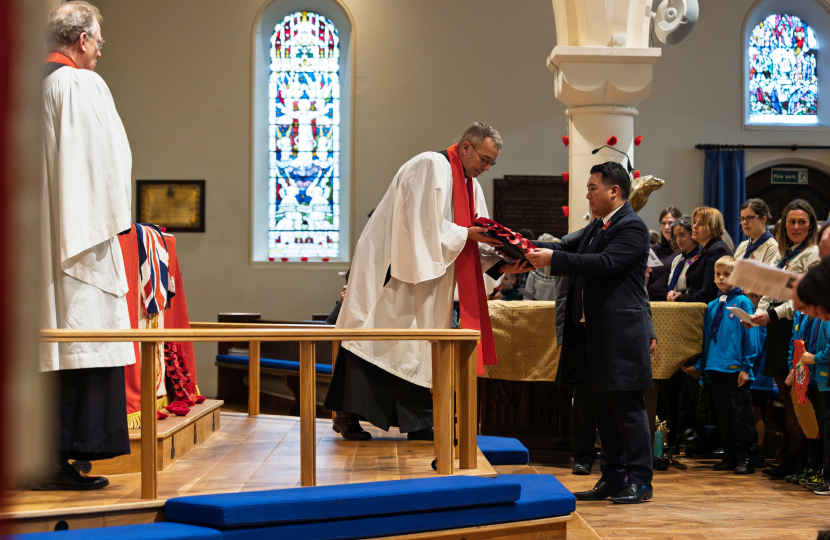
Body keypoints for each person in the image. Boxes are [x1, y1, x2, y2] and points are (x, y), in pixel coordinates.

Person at [324, 123, 527, 441]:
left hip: (435, 278)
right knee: (375, 339)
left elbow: (476, 235)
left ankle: (418, 421)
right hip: (400, 275)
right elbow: (419, 224)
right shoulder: (429, 165)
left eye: (492, 163)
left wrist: (503, 261)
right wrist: (465, 235)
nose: (486, 168)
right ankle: (348, 415)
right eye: (484, 159)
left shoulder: (470, 185)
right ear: (465, 147)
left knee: (420, 350)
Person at [36, 1, 133, 491]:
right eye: (98, 42)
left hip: (36, 242)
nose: (99, 53)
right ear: (81, 41)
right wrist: (117, 224)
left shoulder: (32, 85)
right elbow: (102, 164)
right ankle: (57, 459)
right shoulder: (78, 84)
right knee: (77, 338)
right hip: (75, 243)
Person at [526, 161, 654, 504]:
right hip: (595, 336)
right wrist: (518, 246)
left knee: (627, 410)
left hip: (621, 335)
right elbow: (565, 247)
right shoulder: (598, 226)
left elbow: (605, 263)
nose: (587, 194)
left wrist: (548, 258)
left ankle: (640, 480)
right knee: (602, 411)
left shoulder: (632, 227)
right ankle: (612, 477)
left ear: (614, 191)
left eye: (592, 188)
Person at [749, 199, 821, 478]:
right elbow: (771, 288)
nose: (796, 226)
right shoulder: (786, 254)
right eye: (791, 221)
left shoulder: (812, 254)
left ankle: (802, 458)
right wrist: (756, 314)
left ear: (811, 225)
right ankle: (791, 455)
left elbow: (803, 297)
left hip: (797, 329)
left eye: (802, 221)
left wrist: (773, 315)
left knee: (799, 399)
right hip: (778, 329)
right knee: (786, 398)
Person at [682, 256, 759, 474]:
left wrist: (746, 366)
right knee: (723, 417)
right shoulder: (712, 306)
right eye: (718, 274)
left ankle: (748, 456)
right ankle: (731, 455)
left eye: (727, 274)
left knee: (740, 415)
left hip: (735, 369)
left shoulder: (743, 302)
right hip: (714, 368)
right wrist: (702, 366)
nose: (722, 278)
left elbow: (750, 337)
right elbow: (706, 339)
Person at [733, 198, 778, 467]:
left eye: (750, 217)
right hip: (739, 315)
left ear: (763, 218)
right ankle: (740, 446)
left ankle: (757, 450)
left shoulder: (771, 247)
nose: (745, 223)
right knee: (740, 391)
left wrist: (752, 295)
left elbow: (765, 288)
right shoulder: (741, 246)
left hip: (759, 320)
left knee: (755, 392)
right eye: (742, 218)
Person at [667, 207, 732, 305]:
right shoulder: (706, 249)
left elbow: (708, 293)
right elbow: (696, 287)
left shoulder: (717, 250)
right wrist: (681, 292)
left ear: (712, 227)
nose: (695, 226)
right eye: (694, 222)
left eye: (700, 224)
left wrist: (678, 301)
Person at [799, 315, 830, 495]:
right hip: (816, 380)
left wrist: (814, 358)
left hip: (826, 382)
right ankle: (825, 475)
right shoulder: (814, 316)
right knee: (825, 433)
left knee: (829, 433)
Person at [647, 206, 682, 302]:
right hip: (649, 300)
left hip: (670, 302)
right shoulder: (654, 249)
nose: (667, 227)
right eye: (663, 223)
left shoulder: (682, 251)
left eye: (671, 223)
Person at [666, 217, 700, 298]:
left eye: (682, 235)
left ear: (692, 233)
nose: (678, 239)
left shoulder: (700, 257)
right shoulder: (677, 260)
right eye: (676, 236)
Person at [524, 234, 558, 301]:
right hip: (538, 309)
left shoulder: (560, 270)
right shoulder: (535, 270)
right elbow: (527, 296)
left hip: (556, 310)